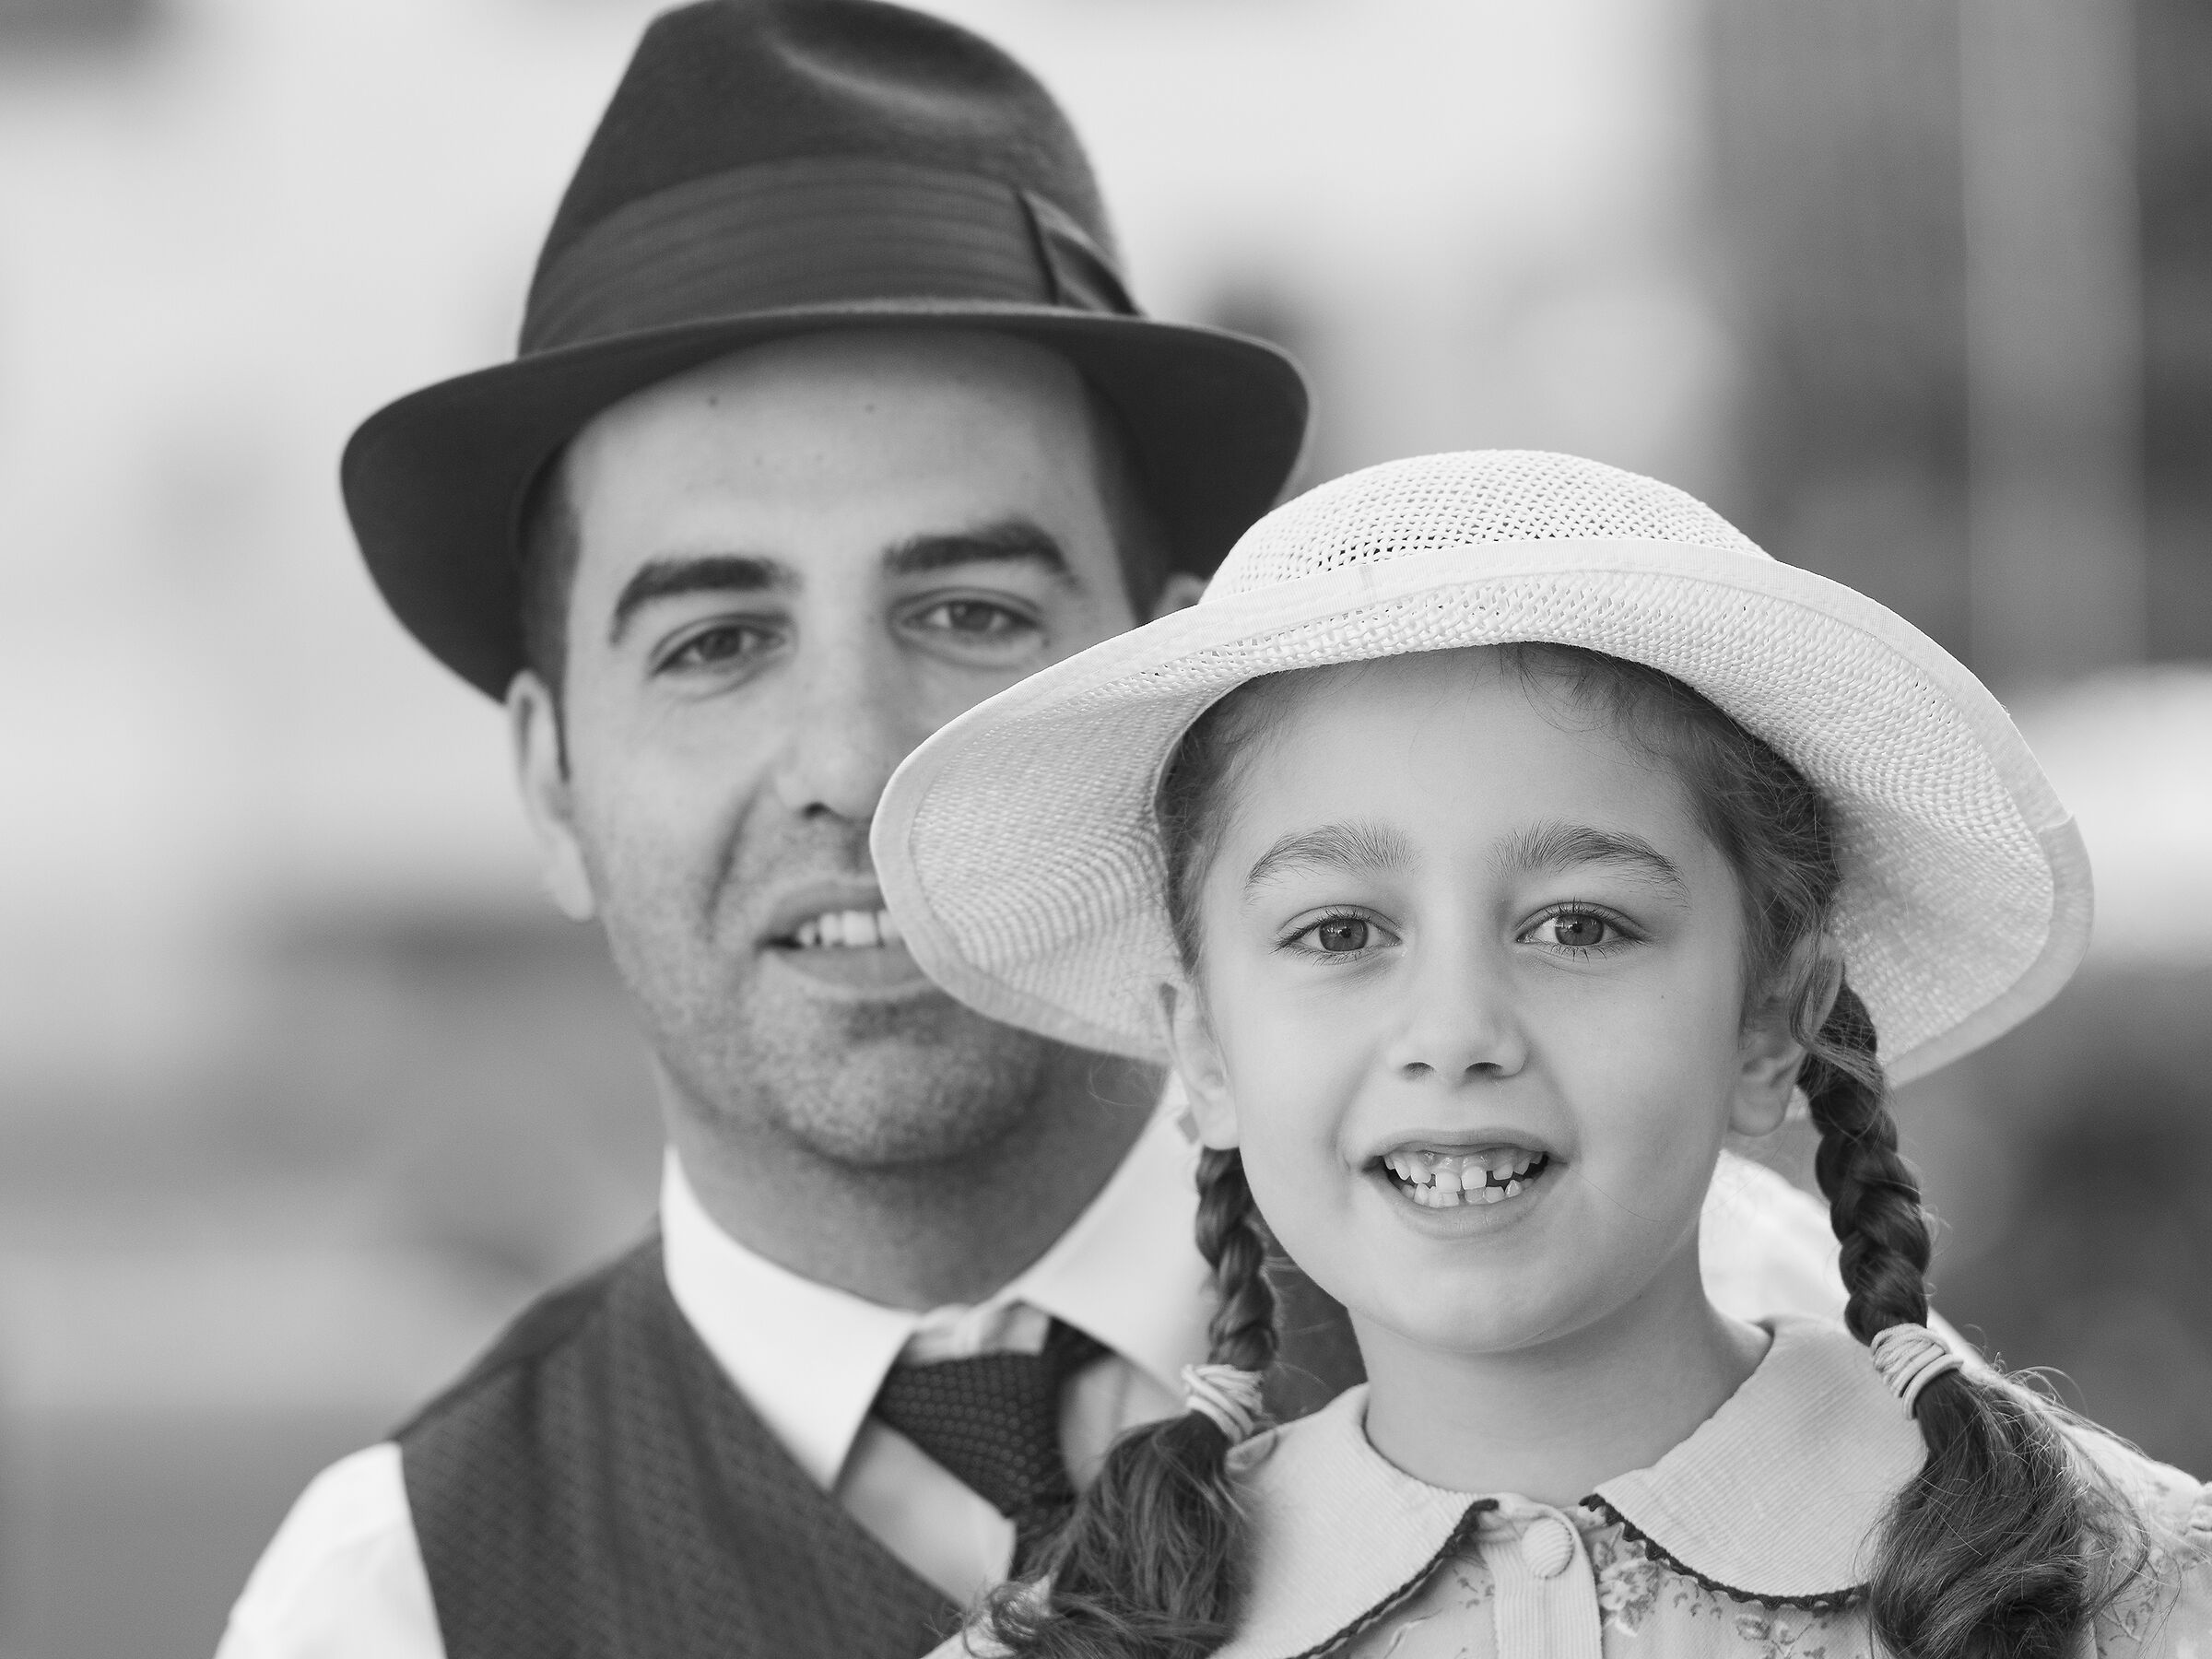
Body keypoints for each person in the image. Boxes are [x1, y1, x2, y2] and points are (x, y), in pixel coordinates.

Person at [218, 6, 1877, 1656]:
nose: (859, 762)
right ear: (550, 783)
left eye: (970, 609)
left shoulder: (1760, 1352)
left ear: (1163, 732)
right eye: (715, 643)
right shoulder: (399, 1605)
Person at [875, 449, 2212, 1659]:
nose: (1456, 1032)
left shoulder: (2117, 1590)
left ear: (1772, 1022)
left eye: (1579, 924)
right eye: (1340, 931)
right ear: (1205, 1048)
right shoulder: (1089, 1647)